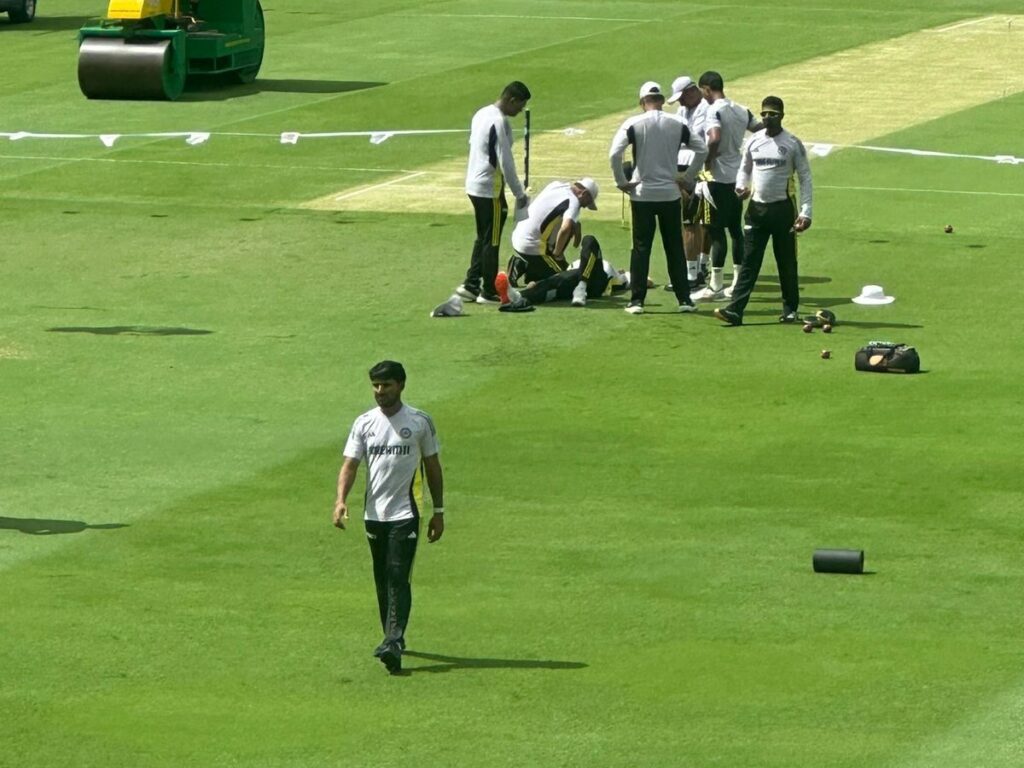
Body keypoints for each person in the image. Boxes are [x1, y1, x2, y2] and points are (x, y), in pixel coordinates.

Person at [332, 360, 445, 675]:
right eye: (376, 386)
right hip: (373, 514)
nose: (380, 392)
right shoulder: (364, 423)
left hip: (406, 512)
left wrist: (439, 511)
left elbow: (433, 466)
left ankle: (394, 641)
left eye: (386, 386)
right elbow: (350, 464)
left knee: (398, 575)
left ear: (401, 385)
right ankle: (390, 637)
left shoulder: (420, 422)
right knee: (382, 578)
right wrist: (340, 500)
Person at [609, 80, 707, 315]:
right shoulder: (678, 122)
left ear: (642, 102)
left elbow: (614, 154)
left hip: (642, 194)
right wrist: (687, 178)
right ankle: (684, 299)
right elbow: (701, 149)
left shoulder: (634, 123)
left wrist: (622, 183)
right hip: (670, 194)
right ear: (662, 100)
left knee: (641, 248)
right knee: (674, 246)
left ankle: (637, 301)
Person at [713, 96, 813, 326]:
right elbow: (744, 168)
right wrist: (741, 186)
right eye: (765, 113)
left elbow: (805, 178)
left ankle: (790, 310)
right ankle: (735, 310)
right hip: (756, 209)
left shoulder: (792, 143)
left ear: (782, 116)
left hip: (783, 210)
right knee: (749, 262)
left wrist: (806, 212)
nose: (768, 117)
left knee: (786, 262)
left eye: (773, 114)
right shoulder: (753, 141)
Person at [457, 81, 532, 304]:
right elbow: (506, 162)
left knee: (483, 236)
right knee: (493, 239)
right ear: (511, 100)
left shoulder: (481, 113)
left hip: (473, 184)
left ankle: (471, 284)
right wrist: (519, 193)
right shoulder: (498, 121)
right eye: (520, 105)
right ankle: (488, 290)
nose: (520, 111)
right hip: (491, 188)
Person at [695, 70, 761, 300]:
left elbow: (713, 137)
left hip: (718, 177)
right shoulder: (742, 109)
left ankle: (715, 286)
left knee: (715, 230)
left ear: (706, 89)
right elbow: (760, 130)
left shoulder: (714, 110)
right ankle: (738, 283)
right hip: (737, 176)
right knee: (735, 230)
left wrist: (708, 159)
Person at [506, 177, 599, 289]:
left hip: (518, 236)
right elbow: (565, 228)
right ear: (584, 194)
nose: (584, 207)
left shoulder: (556, 185)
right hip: (530, 245)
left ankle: (534, 270)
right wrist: (557, 254)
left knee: (569, 226)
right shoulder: (573, 202)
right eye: (587, 203)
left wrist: (576, 226)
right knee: (567, 279)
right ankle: (522, 265)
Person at [496, 235, 625, 309]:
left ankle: (581, 287)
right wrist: (539, 284)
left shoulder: (610, 268)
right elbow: (561, 276)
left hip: (597, 280)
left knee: (589, 240)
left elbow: (631, 279)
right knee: (552, 285)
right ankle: (516, 297)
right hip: (571, 281)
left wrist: (626, 275)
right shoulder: (573, 265)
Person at [666, 75, 710, 290]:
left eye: (682, 97)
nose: (680, 103)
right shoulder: (683, 110)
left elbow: (702, 142)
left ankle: (694, 273)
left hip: (698, 170)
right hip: (683, 168)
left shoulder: (707, 109)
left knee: (693, 222)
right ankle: (697, 268)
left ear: (692, 92)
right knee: (695, 221)